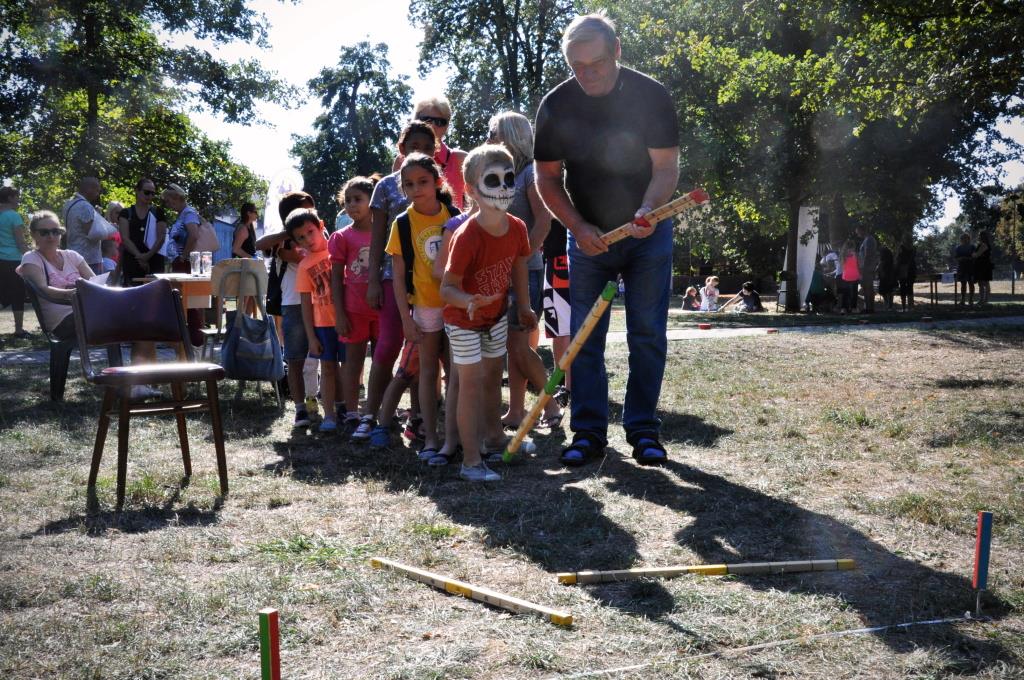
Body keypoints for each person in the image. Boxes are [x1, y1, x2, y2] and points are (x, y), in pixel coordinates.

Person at [535, 12, 680, 466]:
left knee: (647, 333)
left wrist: (648, 210)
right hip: (588, 238)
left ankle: (642, 431)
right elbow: (547, 177)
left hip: (646, 233)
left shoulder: (651, 96)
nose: (587, 75)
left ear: (616, 51)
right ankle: (589, 433)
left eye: (595, 63)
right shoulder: (556, 104)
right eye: (577, 67)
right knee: (584, 340)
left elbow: (666, 168)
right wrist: (576, 226)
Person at [440, 144, 535, 481]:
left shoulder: (518, 227)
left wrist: (524, 306)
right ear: (471, 190)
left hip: (495, 317)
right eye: (493, 180)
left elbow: (519, 268)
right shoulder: (466, 235)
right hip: (463, 321)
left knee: (494, 378)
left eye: (509, 178)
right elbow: (446, 288)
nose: (504, 187)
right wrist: (466, 300)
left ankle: (494, 440)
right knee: (470, 384)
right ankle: (470, 461)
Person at [487, 111, 561, 431]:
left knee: (519, 345)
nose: (489, 138)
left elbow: (544, 221)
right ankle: (516, 412)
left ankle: (552, 405)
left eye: (493, 132)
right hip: (502, 272)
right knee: (512, 346)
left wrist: (520, 258)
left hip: (526, 271)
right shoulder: (501, 174)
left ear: (510, 135)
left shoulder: (530, 173)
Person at [366, 121, 438, 439]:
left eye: (426, 146)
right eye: (413, 146)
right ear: (402, 149)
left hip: (429, 286)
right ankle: (371, 413)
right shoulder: (386, 188)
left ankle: (419, 416)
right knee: (388, 346)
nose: (419, 150)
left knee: (426, 351)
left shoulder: (438, 189)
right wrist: (371, 281)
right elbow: (377, 236)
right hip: (390, 278)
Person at [385, 153, 458, 461]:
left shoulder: (454, 216)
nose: (417, 189)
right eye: (409, 184)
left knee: (456, 372)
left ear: (438, 181)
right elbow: (398, 278)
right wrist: (406, 319)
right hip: (425, 307)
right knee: (427, 372)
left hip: (456, 305)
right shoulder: (401, 225)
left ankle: (457, 434)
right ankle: (431, 436)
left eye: (423, 182)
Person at [255, 191, 318, 427]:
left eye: (312, 210)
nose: (310, 214)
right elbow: (259, 244)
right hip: (292, 304)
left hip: (320, 303)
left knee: (317, 359)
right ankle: (300, 408)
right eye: (305, 210)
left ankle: (314, 400)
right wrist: (289, 233)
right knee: (295, 359)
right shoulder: (281, 241)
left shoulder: (319, 233)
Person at [329, 176, 380, 439]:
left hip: (382, 309)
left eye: (358, 199)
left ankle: (375, 409)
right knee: (353, 362)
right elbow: (335, 278)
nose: (352, 205)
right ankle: (351, 411)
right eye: (347, 200)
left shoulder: (386, 232)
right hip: (353, 310)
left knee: (382, 362)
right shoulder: (341, 237)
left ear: (373, 201)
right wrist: (339, 313)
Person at [288, 208, 345, 433]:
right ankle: (329, 414)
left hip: (347, 320)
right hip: (323, 325)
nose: (307, 239)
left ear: (321, 226)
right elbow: (305, 304)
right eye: (300, 237)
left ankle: (350, 412)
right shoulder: (303, 266)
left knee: (349, 368)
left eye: (310, 232)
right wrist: (311, 337)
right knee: (328, 368)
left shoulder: (339, 250)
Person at [392, 96, 468, 209]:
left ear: (447, 126)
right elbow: (395, 202)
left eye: (440, 122)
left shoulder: (461, 159)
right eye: (426, 119)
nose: (432, 125)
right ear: (414, 120)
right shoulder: (401, 160)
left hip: (454, 225)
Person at [161, 183, 205, 345]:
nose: (168, 204)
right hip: (179, 263)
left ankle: (194, 340)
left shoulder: (189, 214)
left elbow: (193, 235)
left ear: (177, 198)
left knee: (191, 303)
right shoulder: (182, 214)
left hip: (185, 264)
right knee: (182, 302)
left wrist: (183, 256)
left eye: (169, 200)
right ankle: (185, 337)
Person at [62, 176, 116, 274]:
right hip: (89, 260)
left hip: (72, 255)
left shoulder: (68, 204)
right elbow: (94, 234)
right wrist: (111, 229)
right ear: (89, 189)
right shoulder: (85, 206)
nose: (98, 194)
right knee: (93, 288)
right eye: (97, 190)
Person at [118, 178, 167, 286]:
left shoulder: (158, 212)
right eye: (146, 192)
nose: (150, 196)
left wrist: (147, 256)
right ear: (137, 190)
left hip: (155, 261)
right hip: (132, 261)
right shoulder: (125, 213)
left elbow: (161, 238)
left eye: (153, 194)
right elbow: (125, 238)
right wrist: (140, 256)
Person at [0, 187, 30, 338]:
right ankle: (19, 330)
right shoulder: (14, 216)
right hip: (13, 260)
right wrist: (31, 255)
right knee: (17, 294)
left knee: (2, 295)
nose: (18, 200)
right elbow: (20, 242)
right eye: (17, 197)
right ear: (10, 198)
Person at [856, 224, 878, 313]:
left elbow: (867, 255)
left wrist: (863, 268)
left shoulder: (869, 240)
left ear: (862, 230)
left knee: (868, 288)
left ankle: (869, 308)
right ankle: (868, 307)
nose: (857, 234)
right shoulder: (867, 240)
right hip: (867, 267)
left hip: (867, 268)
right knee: (866, 288)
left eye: (858, 232)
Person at [839, 238, 860, 314]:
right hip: (855, 275)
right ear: (853, 246)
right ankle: (853, 308)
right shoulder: (855, 254)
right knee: (854, 293)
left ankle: (843, 308)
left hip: (846, 276)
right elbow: (858, 264)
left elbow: (842, 266)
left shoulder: (843, 255)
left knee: (845, 293)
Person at [895, 234, 917, 311]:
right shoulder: (913, 248)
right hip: (911, 270)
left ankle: (904, 307)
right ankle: (911, 306)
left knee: (903, 288)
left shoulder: (901, 248)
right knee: (910, 288)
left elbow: (898, 259)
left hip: (902, 270)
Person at [954, 231, 975, 306]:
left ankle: (971, 300)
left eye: (966, 238)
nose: (965, 240)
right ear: (961, 240)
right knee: (963, 284)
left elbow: (974, 257)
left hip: (970, 268)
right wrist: (961, 258)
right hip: (962, 268)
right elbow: (956, 257)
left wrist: (968, 258)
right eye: (963, 239)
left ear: (969, 239)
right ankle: (962, 300)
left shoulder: (972, 247)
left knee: (971, 284)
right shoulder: (958, 248)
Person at [973, 229, 993, 305]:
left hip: (985, 266)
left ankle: (985, 300)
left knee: (985, 283)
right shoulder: (980, 244)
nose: (980, 237)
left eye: (981, 235)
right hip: (980, 266)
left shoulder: (984, 245)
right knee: (981, 283)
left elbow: (976, 255)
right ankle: (982, 300)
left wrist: (975, 254)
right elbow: (977, 254)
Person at [877, 243, 896, 311]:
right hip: (888, 277)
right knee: (889, 291)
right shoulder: (890, 262)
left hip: (885, 277)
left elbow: (879, 269)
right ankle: (889, 305)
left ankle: (887, 304)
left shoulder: (883, 262)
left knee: (885, 291)